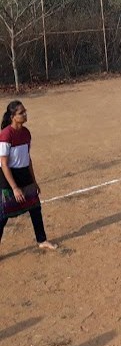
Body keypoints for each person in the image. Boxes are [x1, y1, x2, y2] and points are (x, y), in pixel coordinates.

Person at [0, 101, 57, 251]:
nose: (25, 114)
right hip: (8, 177)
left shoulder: (26, 133)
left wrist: (34, 181)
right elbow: (4, 164)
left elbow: (28, 158)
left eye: (25, 111)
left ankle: (42, 240)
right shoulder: (6, 134)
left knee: (35, 208)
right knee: (3, 215)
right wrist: (14, 188)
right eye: (21, 113)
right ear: (13, 117)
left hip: (25, 174)